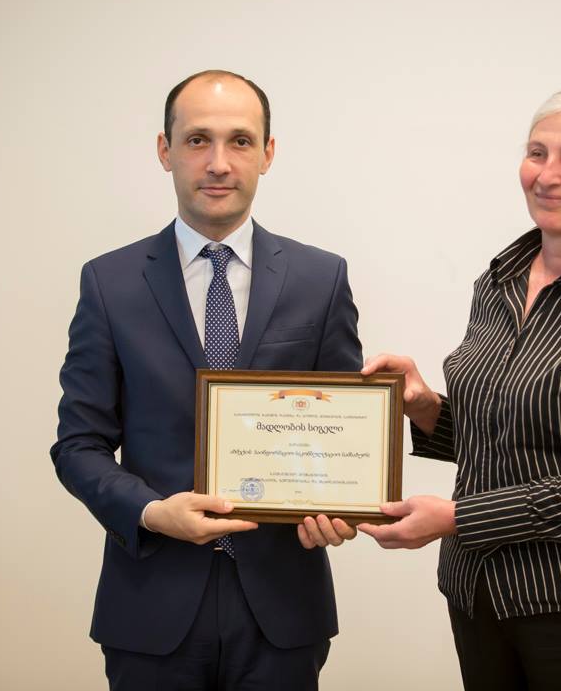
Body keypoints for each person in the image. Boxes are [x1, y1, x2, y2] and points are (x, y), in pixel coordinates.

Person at [360, 87, 561, 690]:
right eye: (537, 153)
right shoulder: (500, 280)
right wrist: (425, 407)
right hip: (483, 597)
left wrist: (455, 518)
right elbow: (511, 436)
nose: (547, 174)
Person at [51, 70, 360, 690]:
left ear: (267, 153)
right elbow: (78, 445)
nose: (219, 162)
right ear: (164, 150)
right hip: (151, 604)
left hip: (282, 607)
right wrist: (151, 512)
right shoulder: (109, 284)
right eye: (198, 140)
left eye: (240, 141)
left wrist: (345, 505)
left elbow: (343, 436)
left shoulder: (320, 279)